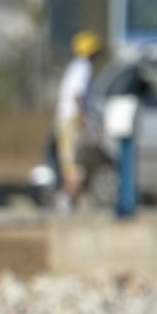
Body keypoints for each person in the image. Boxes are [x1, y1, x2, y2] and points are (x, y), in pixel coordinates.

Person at [54, 30, 105, 211]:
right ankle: (65, 201)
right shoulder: (83, 67)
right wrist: (83, 118)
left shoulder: (77, 66)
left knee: (79, 166)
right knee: (76, 166)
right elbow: (78, 95)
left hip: (70, 120)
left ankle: (70, 202)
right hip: (73, 122)